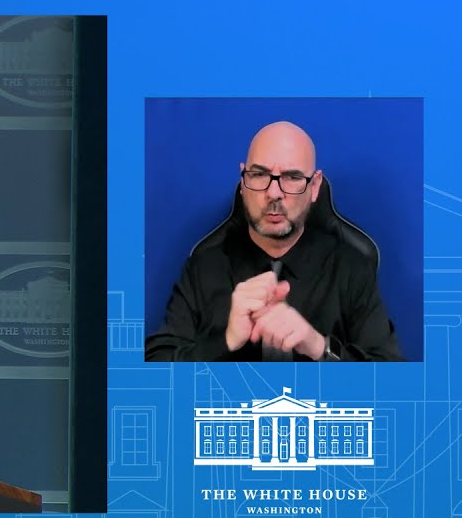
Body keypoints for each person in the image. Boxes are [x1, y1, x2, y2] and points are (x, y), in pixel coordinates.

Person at [145, 121, 403, 362]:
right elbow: (152, 372)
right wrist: (226, 341)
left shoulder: (352, 267)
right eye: (259, 174)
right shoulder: (203, 267)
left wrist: (319, 347)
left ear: (314, 187)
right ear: (243, 181)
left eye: (292, 177)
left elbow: (394, 382)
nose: (274, 193)